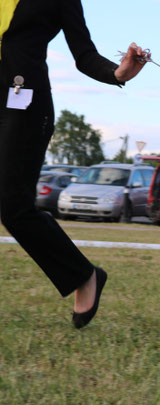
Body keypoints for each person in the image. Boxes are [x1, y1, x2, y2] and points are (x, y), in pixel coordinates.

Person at [0, 0, 149, 328]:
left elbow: (84, 54)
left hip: (23, 103)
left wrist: (118, 72)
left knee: (14, 208)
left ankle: (84, 276)